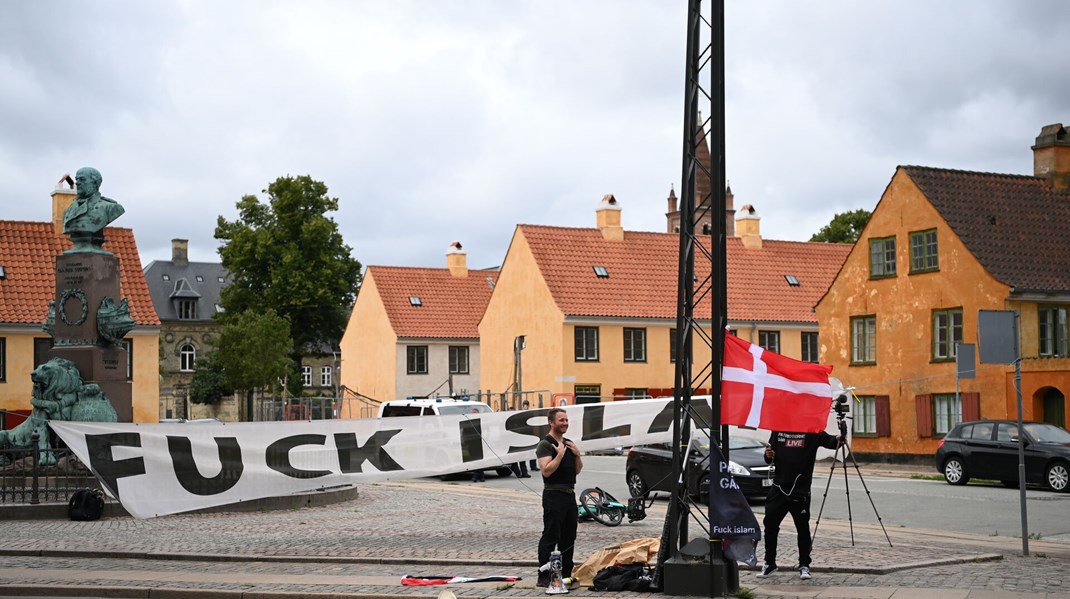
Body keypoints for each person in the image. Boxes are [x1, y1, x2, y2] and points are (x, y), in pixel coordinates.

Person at [758, 429, 842, 580]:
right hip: (778, 488)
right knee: (770, 526)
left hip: (800, 488)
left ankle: (804, 565)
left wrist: (840, 437)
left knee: (802, 528)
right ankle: (769, 563)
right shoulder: (778, 430)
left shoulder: (811, 430)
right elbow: (769, 457)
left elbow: (832, 442)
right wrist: (768, 455)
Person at [536, 408, 583, 586]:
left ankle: (565, 574)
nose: (565, 423)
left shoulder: (569, 443)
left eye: (566, 420)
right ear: (551, 422)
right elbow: (546, 471)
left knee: (569, 536)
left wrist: (577, 455)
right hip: (553, 495)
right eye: (561, 420)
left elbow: (577, 470)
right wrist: (560, 454)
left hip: (569, 495)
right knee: (551, 535)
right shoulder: (545, 445)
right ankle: (544, 575)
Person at [64, 167, 125, 235]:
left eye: (82, 179)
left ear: (95, 183)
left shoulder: (110, 207)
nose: (77, 183)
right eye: (76, 179)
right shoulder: (68, 211)